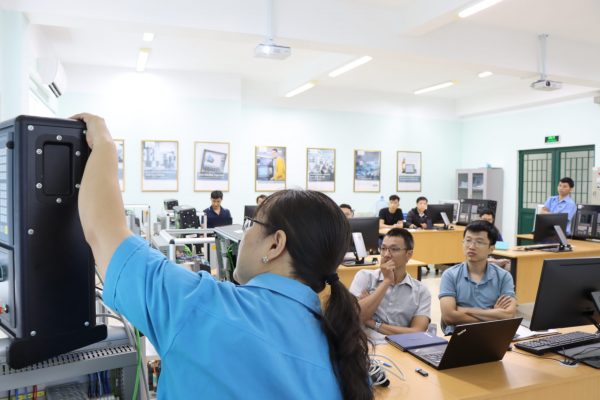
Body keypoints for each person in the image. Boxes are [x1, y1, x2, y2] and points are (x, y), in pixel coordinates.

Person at [74, 113, 372, 399]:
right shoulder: (345, 353)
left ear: (275, 245)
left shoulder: (201, 305)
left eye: (251, 224)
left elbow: (103, 231)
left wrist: (104, 145)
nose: (243, 237)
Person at [349, 228, 431, 343]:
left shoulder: (421, 291)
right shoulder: (364, 277)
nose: (386, 254)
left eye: (394, 249)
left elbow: (418, 333)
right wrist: (387, 281)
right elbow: (354, 317)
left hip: (399, 349)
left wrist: (372, 322)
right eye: (383, 248)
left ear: (409, 254)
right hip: (364, 346)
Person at [439, 220, 517, 335]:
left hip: (495, 334)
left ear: (491, 248)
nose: (471, 246)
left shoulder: (504, 276)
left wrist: (465, 310)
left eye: (479, 242)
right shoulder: (450, 275)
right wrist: (493, 313)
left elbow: (509, 315)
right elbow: (449, 317)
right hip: (460, 335)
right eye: (468, 240)